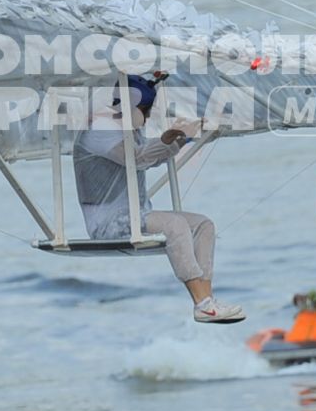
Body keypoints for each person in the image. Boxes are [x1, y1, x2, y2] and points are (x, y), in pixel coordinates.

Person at [73, 75, 242, 324]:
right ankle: (203, 304)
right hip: (107, 223)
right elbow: (138, 159)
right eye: (146, 110)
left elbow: (147, 156)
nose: (149, 116)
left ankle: (207, 301)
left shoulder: (124, 128)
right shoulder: (101, 128)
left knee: (203, 225)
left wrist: (185, 136)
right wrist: (169, 140)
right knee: (175, 226)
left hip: (132, 215)